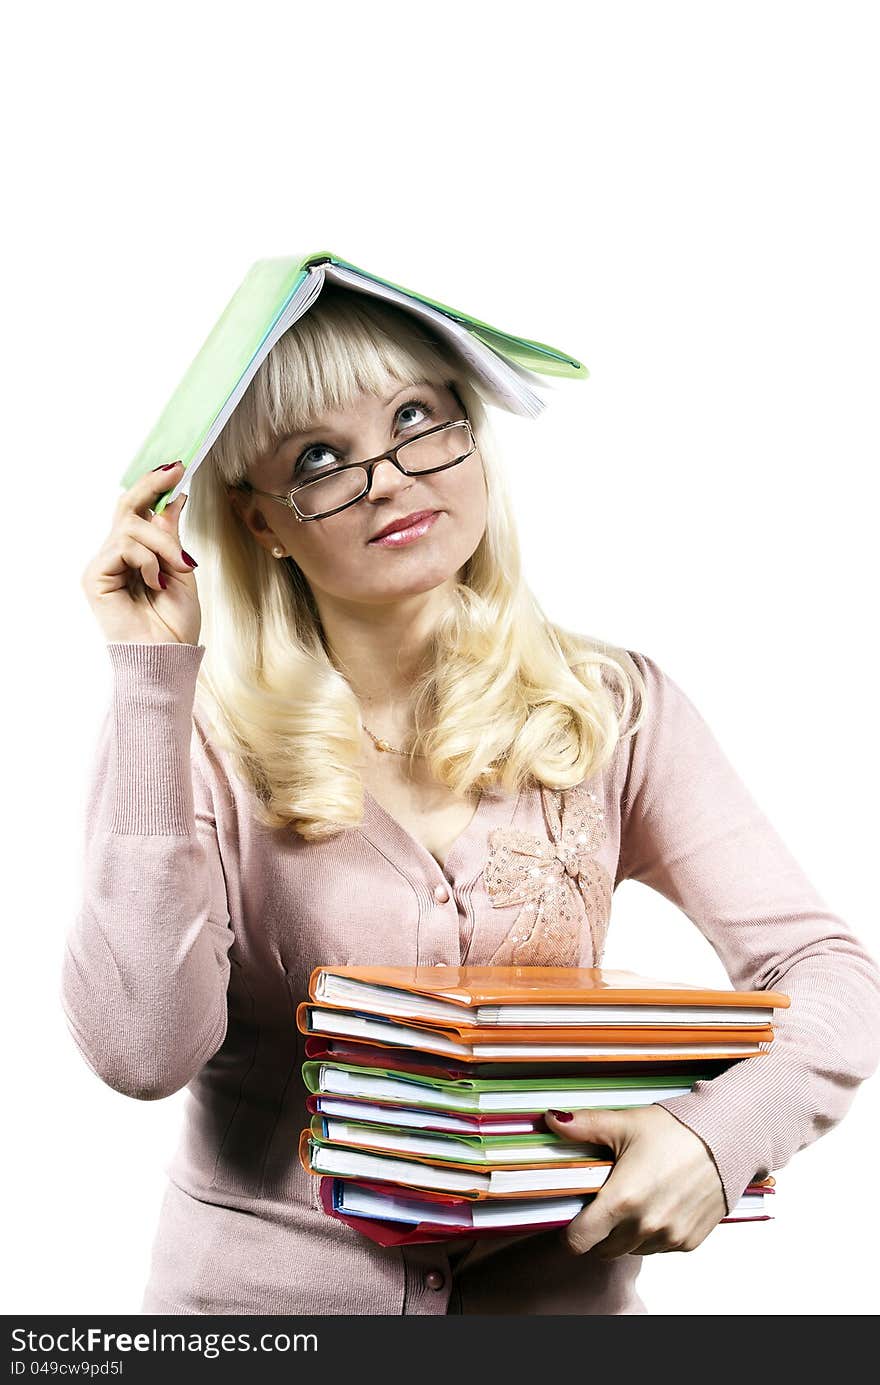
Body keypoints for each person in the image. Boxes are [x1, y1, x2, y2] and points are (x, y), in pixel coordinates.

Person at [65, 284, 880, 1315]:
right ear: (258, 522)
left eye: (414, 419)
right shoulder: (190, 735)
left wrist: (719, 1131)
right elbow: (141, 1051)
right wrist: (149, 682)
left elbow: (827, 971)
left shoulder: (616, 709)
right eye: (317, 458)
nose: (389, 479)